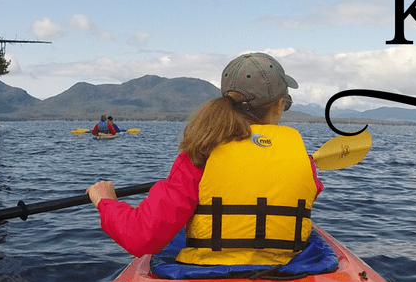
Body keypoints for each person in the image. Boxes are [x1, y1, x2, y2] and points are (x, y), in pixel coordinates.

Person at [86, 52, 321, 266]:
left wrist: (105, 202)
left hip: (208, 275)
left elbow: (141, 236)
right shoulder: (304, 161)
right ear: (279, 107)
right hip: (285, 275)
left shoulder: (199, 155)